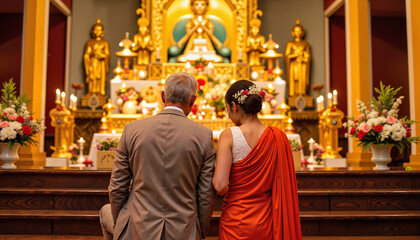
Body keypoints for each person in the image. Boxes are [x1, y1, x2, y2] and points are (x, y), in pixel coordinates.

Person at [99, 72, 217, 240]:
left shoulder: (132, 130)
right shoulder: (204, 136)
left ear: (162, 96)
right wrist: (200, 232)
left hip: (138, 227)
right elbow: (205, 195)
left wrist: (122, 224)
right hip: (183, 229)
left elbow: (117, 187)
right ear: (192, 101)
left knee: (105, 211)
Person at [213, 80, 302, 239]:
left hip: (236, 222)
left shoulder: (229, 136)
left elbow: (220, 186)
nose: (228, 114)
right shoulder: (278, 137)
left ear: (234, 106)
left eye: (227, 109)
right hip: (267, 221)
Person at [285, 19, 311, 97]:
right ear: (293, 32)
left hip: (302, 64)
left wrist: (304, 57)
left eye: (299, 31)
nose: (298, 33)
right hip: (293, 65)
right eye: (296, 31)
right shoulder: (290, 43)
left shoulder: (305, 43)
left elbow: (308, 56)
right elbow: (287, 56)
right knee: (294, 80)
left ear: (302, 32)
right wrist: (295, 55)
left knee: (302, 79)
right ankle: (293, 94)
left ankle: (302, 93)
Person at [84, 18, 110, 96]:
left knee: (100, 77)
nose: (97, 32)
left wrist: (102, 55)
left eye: (99, 30)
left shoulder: (105, 42)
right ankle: (91, 91)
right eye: (95, 30)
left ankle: (100, 92)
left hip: (101, 63)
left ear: (103, 31)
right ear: (92, 31)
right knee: (92, 77)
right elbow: (86, 55)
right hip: (92, 62)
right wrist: (93, 53)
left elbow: (107, 54)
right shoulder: (89, 42)